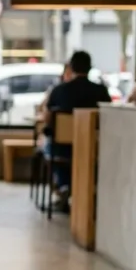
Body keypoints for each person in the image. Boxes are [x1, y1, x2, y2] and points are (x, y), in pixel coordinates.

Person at [41, 51, 112, 209]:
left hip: (61, 149)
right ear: (90, 68)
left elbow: (48, 118)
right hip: (93, 147)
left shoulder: (59, 90)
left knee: (48, 146)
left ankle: (63, 186)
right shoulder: (101, 91)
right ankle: (88, 190)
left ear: (71, 67)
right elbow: (107, 118)